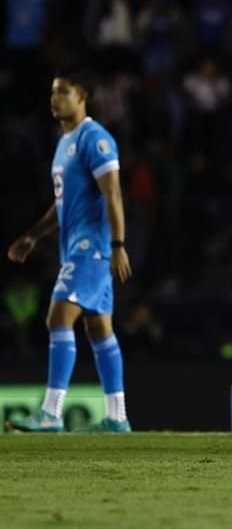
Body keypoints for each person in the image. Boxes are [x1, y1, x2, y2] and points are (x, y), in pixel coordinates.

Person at [6, 68, 133, 433]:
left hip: (90, 247)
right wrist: (34, 235)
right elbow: (63, 203)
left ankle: (50, 412)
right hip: (75, 245)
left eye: (62, 92)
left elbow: (113, 193)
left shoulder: (95, 138)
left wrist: (118, 245)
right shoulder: (64, 143)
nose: (54, 99)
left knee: (57, 318)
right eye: (52, 93)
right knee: (99, 330)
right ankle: (117, 417)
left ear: (82, 96)